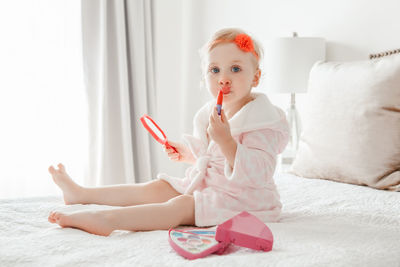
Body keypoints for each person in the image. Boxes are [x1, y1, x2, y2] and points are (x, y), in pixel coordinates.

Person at [48, 28, 289, 236]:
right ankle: (81, 193)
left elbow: (260, 173)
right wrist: (187, 154)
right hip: (211, 186)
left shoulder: (263, 119)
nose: (223, 79)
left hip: (246, 200)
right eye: (215, 70)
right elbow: (210, 157)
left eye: (235, 69)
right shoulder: (210, 112)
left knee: (181, 205)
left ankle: (108, 221)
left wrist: (227, 141)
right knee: (157, 188)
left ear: (255, 77)